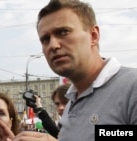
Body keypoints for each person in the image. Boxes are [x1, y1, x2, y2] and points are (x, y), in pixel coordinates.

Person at [36, 0, 137, 141]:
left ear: (93, 35)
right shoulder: (71, 103)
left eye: (64, 32)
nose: (53, 45)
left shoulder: (132, 87)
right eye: (45, 39)